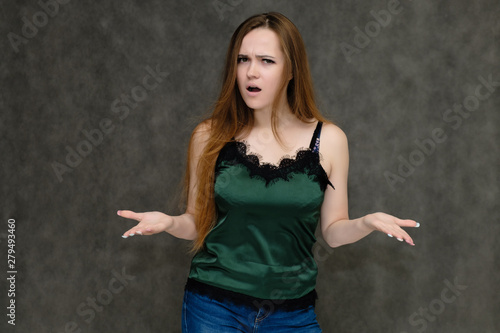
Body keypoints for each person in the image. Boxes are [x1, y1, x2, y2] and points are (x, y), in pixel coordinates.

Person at [118, 12, 419, 332]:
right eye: (243, 59)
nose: (251, 72)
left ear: (292, 70)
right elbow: (195, 222)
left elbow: (333, 231)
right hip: (214, 306)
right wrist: (169, 222)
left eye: (266, 61)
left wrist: (366, 222)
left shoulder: (329, 140)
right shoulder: (208, 136)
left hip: (292, 313)